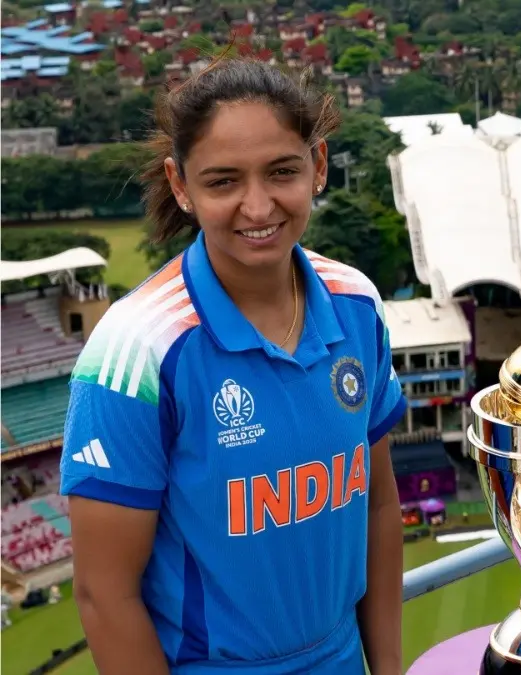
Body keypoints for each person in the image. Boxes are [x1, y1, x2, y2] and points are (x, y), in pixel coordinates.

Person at [61, 57, 408, 675]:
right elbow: (104, 595)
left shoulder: (357, 304)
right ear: (181, 185)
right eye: (223, 182)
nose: (258, 206)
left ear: (318, 165)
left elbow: (379, 506)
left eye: (282, 172)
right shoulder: (138, 348)